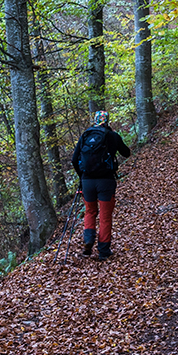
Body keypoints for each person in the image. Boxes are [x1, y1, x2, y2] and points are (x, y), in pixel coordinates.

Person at [72, 111, 131, 260]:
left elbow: (74, 159)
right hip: (106, 181)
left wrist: (82, 177)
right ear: (107, 121)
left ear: (95, 120)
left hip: (87, 181)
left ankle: (88, 240)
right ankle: (104, 251)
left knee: (90, 211)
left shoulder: (86, 135)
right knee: (105, 216)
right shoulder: (112, 136)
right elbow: (127, 153)